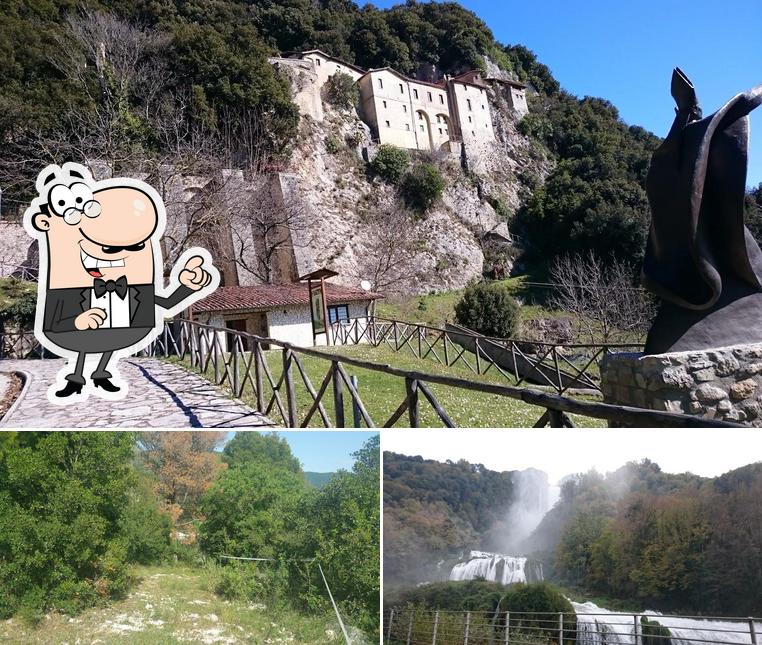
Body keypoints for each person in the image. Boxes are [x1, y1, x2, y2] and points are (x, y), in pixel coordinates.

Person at [24, 162, 219, 400]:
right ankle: (76, 378)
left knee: (110, 340)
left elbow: (166, 305)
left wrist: (187, 287)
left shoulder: (134, 288)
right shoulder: (67, 286)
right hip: (80, 333)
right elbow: (55, 321)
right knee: (87, 342)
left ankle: (101, 373)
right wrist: (77, 320)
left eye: (134, 245)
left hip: (122, 331)